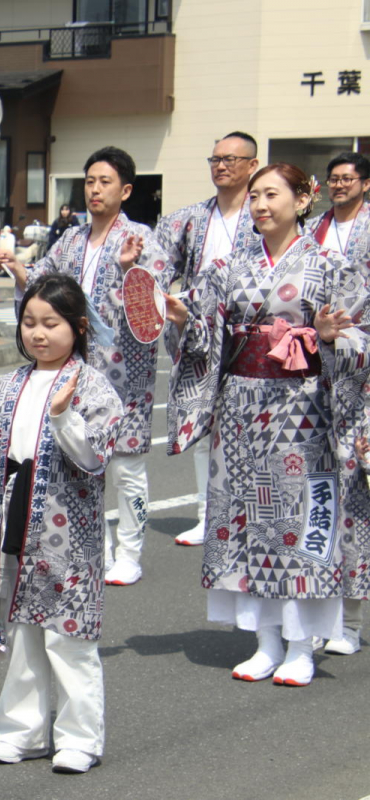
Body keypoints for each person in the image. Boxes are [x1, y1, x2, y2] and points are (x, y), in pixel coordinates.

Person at [164, 163, 370, 687]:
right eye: (254, 195)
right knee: (247, 522)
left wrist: (329, 337)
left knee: (297, 523)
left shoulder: (331, 265)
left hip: (305, 410)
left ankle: (301, 646)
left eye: (271, 194)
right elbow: (206, 337)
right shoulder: (227, 266)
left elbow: (361, 338)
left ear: (302, 200)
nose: (259, 204)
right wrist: (186, 323)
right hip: (241, 408)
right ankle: (265, 641)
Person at [0, 273, 121, 774]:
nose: (38, 333)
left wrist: (64, 416)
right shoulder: (9, 386)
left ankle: (80, 739)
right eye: (29, 323)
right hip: (18, 520)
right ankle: (23, 732)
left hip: (71, 536)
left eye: (51, 323)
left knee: (69, 637)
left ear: (78, 327)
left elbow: (94, 457)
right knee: (23, 629)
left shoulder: (93, 387)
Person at [0, 146, 171, 587]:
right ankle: (99, 548)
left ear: (125, 190)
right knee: (78, 462)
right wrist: (17, 269)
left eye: (105, 182)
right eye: (90, 181)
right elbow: (43, 283)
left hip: (124, 373)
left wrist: (130, 271)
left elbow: (154, 309)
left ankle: (129, 553)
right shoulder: (71, 239)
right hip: (74, 373)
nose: (95, 189)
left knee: (127, 468)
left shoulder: (143, 239)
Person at [155, 131, 260, 547]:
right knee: (204, 423)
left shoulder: (264, 214)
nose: (221, 166)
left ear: (252, 165)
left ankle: (251, 514)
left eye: (231, 159)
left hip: (250, 333)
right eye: (215, 159)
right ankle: (207, 514)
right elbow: (159, 267)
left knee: (251, 426)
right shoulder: (189, 218)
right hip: (199, 333)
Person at [307, 151, 370, 656]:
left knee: (352, 501)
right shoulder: (313, 232)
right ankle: (313, 614)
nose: (339, 185)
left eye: (348, 179)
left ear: (365, 184)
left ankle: (349, 622)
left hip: (362, 377)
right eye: (333, 179)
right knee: (313, 500)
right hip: (314, 375)